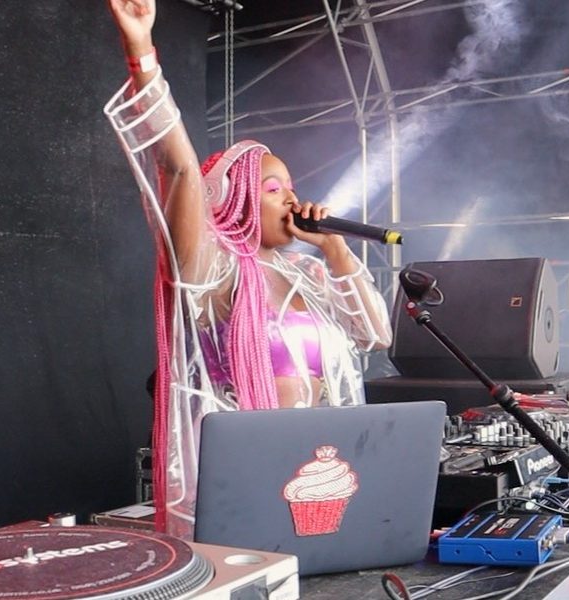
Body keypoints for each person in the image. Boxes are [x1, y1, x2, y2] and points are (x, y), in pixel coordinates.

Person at [104, 0, 392, 539]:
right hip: (246, 470)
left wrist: (335, 251)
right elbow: (180, 170)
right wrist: (142, 54)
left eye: (293, 187)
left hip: (318, 461)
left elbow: (375, 336)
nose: (293, 200)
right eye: (274, 188)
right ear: (233, 200)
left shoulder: (310, 275)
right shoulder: (215, 271)